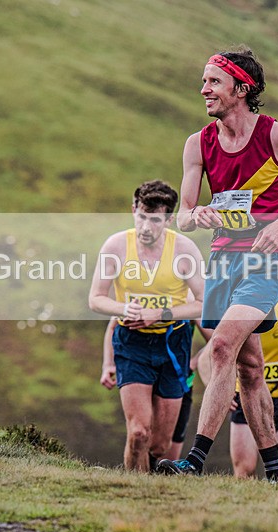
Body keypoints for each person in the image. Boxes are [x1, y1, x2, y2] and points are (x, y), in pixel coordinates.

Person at [156, 47, 278, 482]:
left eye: (213, 81)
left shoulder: (277, 136)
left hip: (270, 260)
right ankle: (276, 475)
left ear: (241, 88)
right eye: (203, 81)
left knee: (220, 347)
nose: (204, 89)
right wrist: (198, 215)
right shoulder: (198, 144)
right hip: (223, 258)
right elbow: (185, 214)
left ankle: (193, 462)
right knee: (250, 368)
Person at [89, 180, 204, 472]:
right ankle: (132, 489)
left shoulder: (184, 250)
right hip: (132, 341)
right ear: (133, 210)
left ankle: (148, 483)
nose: (146, 226)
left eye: (155, 220)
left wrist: (162, 314)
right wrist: (123, 308)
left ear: (167, 220)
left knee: (160, 444)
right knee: (139, 432)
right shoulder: (116, 246)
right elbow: (96, 299)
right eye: (141, 216)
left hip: (172, 344)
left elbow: (205, 303)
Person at [197, 292, 278, 480]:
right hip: (246, 398)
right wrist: (219, 394)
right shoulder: (241, 310)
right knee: (244, 469)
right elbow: (205, 360)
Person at [102, 317, 210, 461]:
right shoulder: (145, 295)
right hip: (141, 370)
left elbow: (216, 339)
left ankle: (156, 480)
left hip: (179, 381)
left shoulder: (189, 301)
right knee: (139, 433)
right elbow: (113, 325)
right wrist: (108, 364)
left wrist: (194, 363)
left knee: (162, 450)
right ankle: (137, 480)